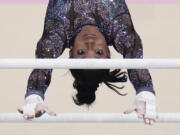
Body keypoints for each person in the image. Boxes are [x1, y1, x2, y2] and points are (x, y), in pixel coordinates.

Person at [18, 0, 157, 125]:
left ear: (70, 52)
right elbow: (134, 59)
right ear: (108, 53)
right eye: (99, 52)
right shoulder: (119, 30)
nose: (90, 44)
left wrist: (34, 95)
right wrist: (144, 91)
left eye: (81, 53)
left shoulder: (57, 34)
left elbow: (42, 68)